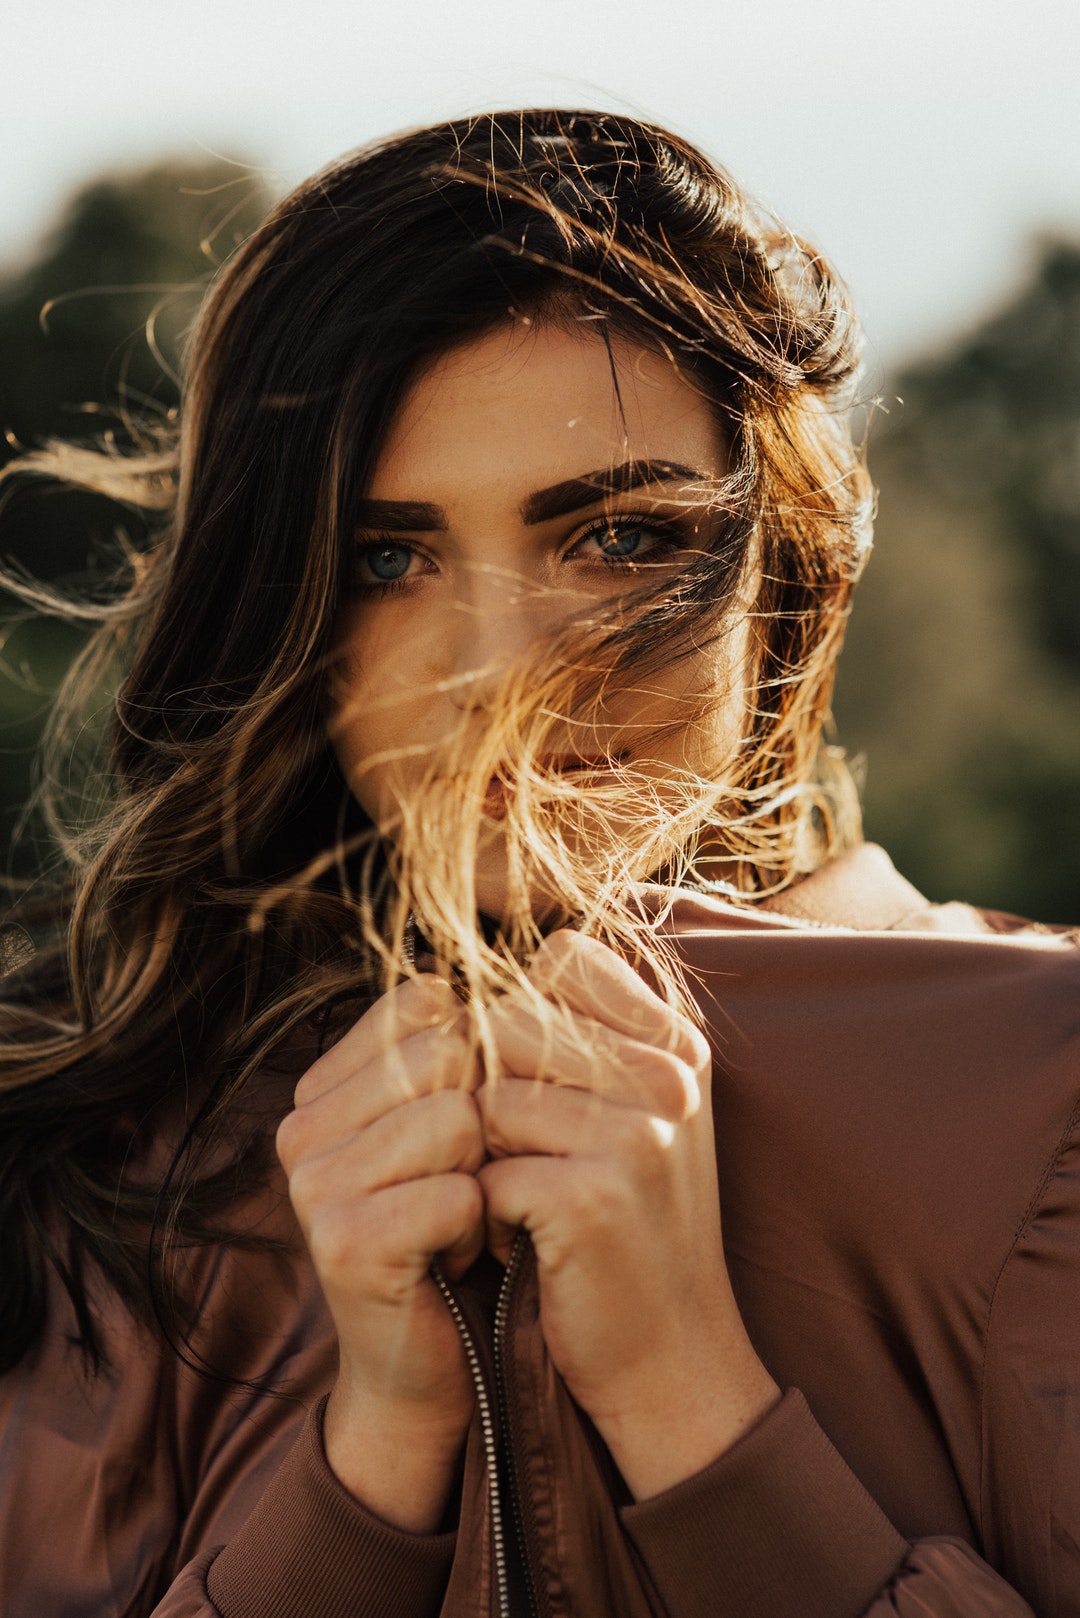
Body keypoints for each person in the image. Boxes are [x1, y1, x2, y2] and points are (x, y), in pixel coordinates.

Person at [0, 108, 1077, 1618]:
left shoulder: (1044, 1095)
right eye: (389, 557)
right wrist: (372, 1461)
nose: (502, 671)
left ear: (792, 566)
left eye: (621, 539)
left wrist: (691, 1401)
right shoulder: (96, 1172)